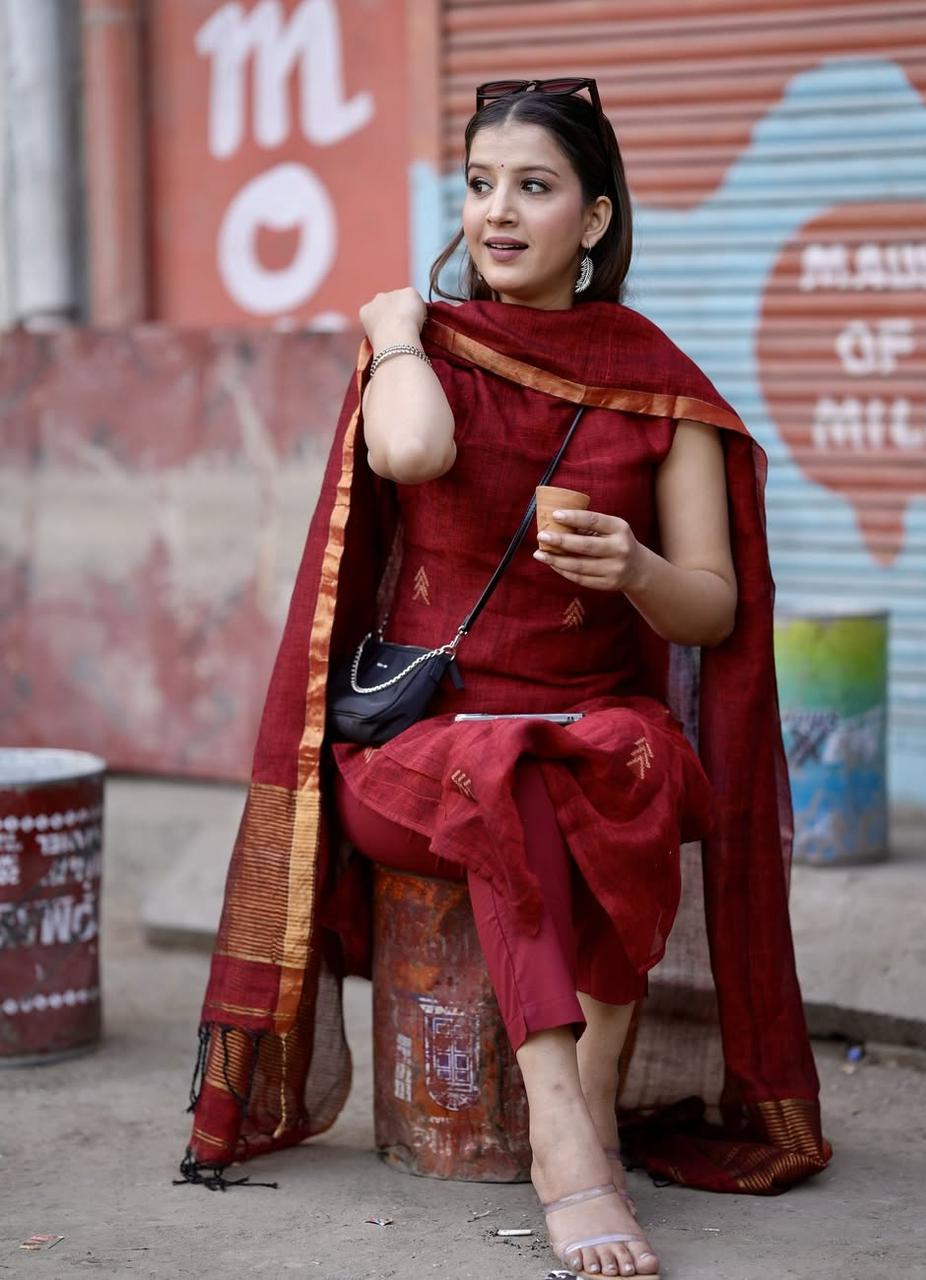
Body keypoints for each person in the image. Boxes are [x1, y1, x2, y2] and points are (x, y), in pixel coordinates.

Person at [178, 78, 830, 1279]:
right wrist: (390, 335)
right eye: (479, 185)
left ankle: (572, 1104)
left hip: (582, 725)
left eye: (533, 186)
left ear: (592, 218)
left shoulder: (656, 386)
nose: (498, 212)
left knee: (635, 767)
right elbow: (414, 451)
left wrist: (633, 565)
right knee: (508, 767)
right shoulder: (427, 348)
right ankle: (568, 1149)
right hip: (415, 744)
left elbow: (714, 604)